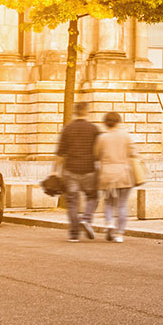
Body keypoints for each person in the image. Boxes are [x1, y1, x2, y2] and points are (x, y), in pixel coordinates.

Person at [54, 102, 102, 242]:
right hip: (89, 169)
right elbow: (99, 151)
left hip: (70, 170)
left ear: (75, 112)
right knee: (92, 197)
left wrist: (54, 171)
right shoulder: (94, 129)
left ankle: (74, 234)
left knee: (72, 202)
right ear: (87, 112)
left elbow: (60, 153)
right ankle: (86, 219)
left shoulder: (67, 129)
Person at [94, 112, 138, 243]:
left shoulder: (102, 138)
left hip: (106, 174)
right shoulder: (126, 136)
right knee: (122, 205)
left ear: (105, 123)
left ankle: (109, 224)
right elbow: (134, 153)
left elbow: (96, 155)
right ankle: (119, 233)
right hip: (123, 174)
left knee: (108, 202)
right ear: (119, 121)